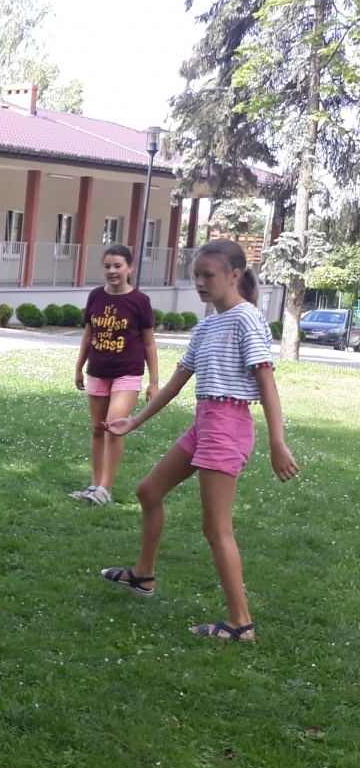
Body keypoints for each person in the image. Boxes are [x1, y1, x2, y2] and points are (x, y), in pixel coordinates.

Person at [98, 240, 299, 640]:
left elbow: (267, 385)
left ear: (235, 276)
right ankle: (143, 575)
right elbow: (175, 385)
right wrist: (132, 422)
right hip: (204, 423)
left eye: (208, 275)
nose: (200, 283)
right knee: (148, 491)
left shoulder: (247, 320)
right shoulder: (207, 325)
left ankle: (241, 623)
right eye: (197, 275)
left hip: (228, 425)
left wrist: (278, 443)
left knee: (216, 528)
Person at [71, 245, 160, 505]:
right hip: (98, 370)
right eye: (108, 266)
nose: (112, 271)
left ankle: (105, 489)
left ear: (130, 268)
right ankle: (94, 485)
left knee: (113, 427)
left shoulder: (139, 301)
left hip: (128, 373)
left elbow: (149, 343)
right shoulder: (95, 296)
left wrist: (154, 382)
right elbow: (88, 334)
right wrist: (79, 367)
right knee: (97, 429)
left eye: (118, 266)